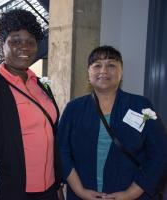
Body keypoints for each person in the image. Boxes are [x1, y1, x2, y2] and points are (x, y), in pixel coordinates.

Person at [0, 9, 63, 200]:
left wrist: (58, 183)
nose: (24, 47)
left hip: (50, 190)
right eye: (15, 41)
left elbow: (52, 137)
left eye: (30, 42)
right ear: (2, 44)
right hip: (13, 192)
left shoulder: (41, 86)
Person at [57, 45, 167, 200]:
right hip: (82, 194)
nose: (104, 70)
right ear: (88, 74)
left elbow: (160, 154)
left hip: (134, 195)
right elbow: (61, 152)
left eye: (111, 65)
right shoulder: (73, 109)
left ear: (121, 73)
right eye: (97, 65)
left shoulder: (141, 106)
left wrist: (130, 194)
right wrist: (80, 191)